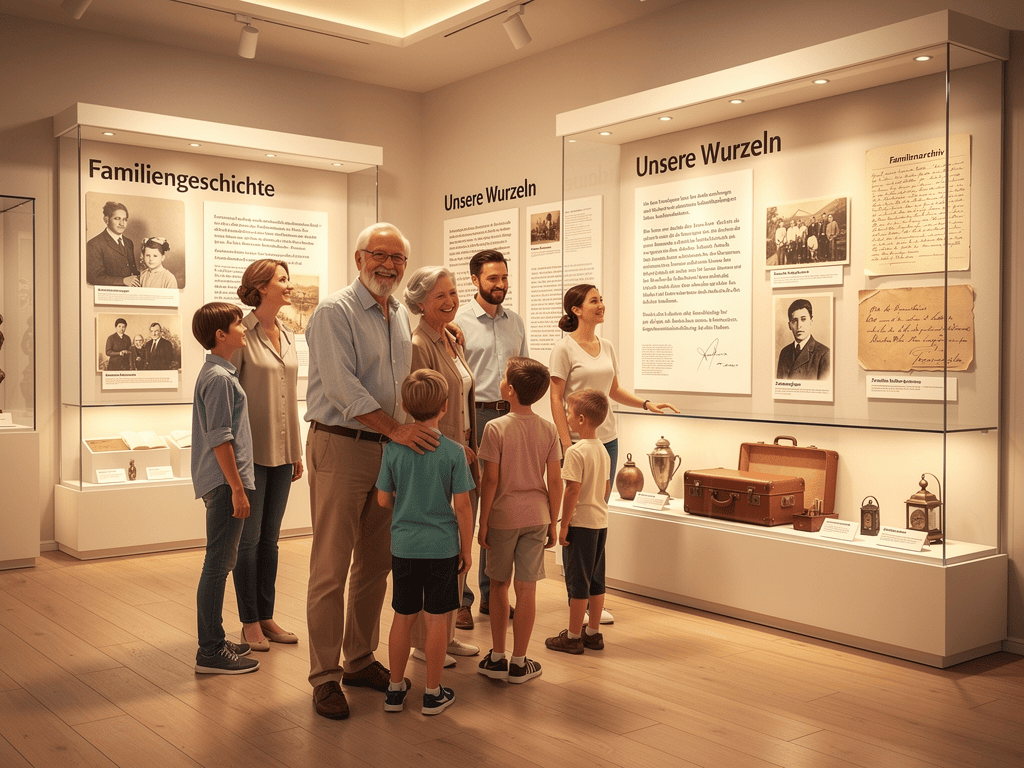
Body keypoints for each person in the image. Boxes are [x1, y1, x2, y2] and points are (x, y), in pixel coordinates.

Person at [303, 222, 439, 720]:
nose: (389, 265)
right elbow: (342, 389)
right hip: (341, 447)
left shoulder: (399, 313)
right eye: (379, 255)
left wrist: (404, 435)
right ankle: (324, 676)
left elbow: (401, 384)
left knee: (376, 564)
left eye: (398, 258)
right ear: (359, 259)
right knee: (330, 569)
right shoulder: (333, 312)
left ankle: (359, 659)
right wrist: (397, 431)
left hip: (388, 452)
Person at [550, 284, 678, 626]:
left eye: (602, 299)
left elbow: (614, 390)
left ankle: (593, 599)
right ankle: (576, 597)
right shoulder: (563, 349)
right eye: (595, 301)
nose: (601, 305)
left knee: (597, 520)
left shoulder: (606, 346)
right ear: (577, 310)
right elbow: (556, 398)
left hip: (607, 442)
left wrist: (647, 403)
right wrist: (566, 442)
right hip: (579, 444)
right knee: (577, 521)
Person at [376, 369, 474, 715]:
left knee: (402, 617)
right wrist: (467, 548)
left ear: (404, 405)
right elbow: (462, 506)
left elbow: (383, 500)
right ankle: (432, 693)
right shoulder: (453, 452)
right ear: (445, 407)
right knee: (436, 620)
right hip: (441, 547)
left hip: (403, 546)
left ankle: (394, 689)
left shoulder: (393, 450)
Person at [403, 266, 480, 664]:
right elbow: (418, 409)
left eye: (452, 293)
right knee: (433, 554)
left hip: (462, 454)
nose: (451, 301)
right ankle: (421, 641)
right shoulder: (419, 342)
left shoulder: (452, 337)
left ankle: (446, 635)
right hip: (438, 456)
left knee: (456, 549)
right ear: (419, 303)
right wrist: (449, 445)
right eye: (440, 297)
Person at [230, 259, 304, 653]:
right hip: (250, 454)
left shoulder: (290, 335)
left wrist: (297, 449)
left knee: (270, 540)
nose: (289, 285)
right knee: (249, 540)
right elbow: (227, 396)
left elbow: (290, 399)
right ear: (261, 287)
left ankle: (267, 614)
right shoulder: (240, 334)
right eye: (282, 279)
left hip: (282, 451)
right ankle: (248, 621)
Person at [453, 249, 528, 628]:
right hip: (474, 416)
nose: (500, 285)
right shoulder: (460, 321)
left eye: (504, 277)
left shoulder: (515, 322)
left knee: (497, 510)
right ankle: (460, 599)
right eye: (492, 279)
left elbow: (525, 372)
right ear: (475, 280)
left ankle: (492, 594)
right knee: (466, 506)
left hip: (508, 418)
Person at [476, 356, 561, 685]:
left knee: (498, 585)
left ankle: (496, 656)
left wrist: (483, 522)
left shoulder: (495, 428)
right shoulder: (549, 428)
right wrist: (553, 521)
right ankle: (520, 661)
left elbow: (490, 481)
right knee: (527, 589)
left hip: (503, 517)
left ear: (509, 390)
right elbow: (555, 481)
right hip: (537, 515)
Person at [189, 302, 259, 675]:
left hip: (223, 481)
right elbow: (220, 438)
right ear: (220, 334)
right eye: (237, 323)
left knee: (221, 562)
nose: (243, 327)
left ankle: (213, 638)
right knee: (217, 565)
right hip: (223, 482)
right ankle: (210, 651)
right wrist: (237, 488)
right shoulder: (218, 378)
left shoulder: (220, 374)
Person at [545, 389, 611, 655]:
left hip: (580, 524)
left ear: (581, 419)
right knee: (596, 578)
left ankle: (572, 636)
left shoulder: (574, 452)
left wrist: (563, 524)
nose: (567, 417)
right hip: (600, 522)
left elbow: (572, 490)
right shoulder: (603, 451)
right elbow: (606, 487)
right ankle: (593, 633)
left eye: (570, 412)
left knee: (578, 581)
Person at [86, 201, 139, 287]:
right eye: (117, 218)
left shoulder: (129, 242)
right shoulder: (94, 244)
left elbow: (132, 272)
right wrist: (123, 281)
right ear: (106, 220)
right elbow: (94, 277)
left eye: (125, 219)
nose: (122, 223)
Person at [776, 298, 830, 380]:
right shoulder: (784, 352)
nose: (799, 326)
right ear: (789, 325)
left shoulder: (824, 354)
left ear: (811, 321)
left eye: (803, 319)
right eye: (794, 320)